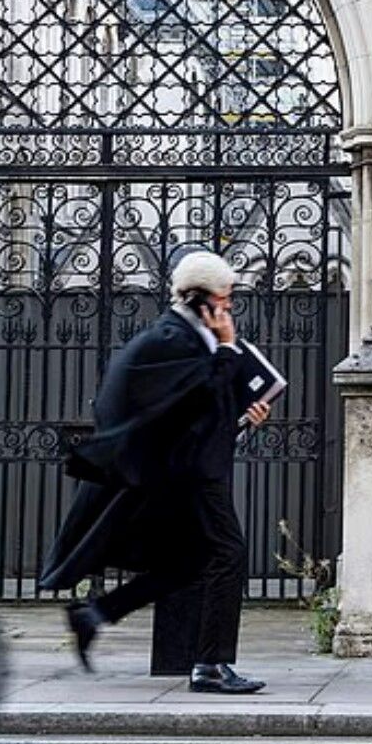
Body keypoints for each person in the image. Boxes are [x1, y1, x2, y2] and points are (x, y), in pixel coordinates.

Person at [39, 251, 271, 694]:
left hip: (190, 470)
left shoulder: (189, 336)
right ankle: (211, 665)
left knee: (189, 562)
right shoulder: (172, 337)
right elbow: (196, 399)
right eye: (226, 297)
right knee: (229, 553)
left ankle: (94, 615)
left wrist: (246, 417)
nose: (231, 307)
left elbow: (200, 408)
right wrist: (225, 349)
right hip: (190, 474)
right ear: (204, 298)